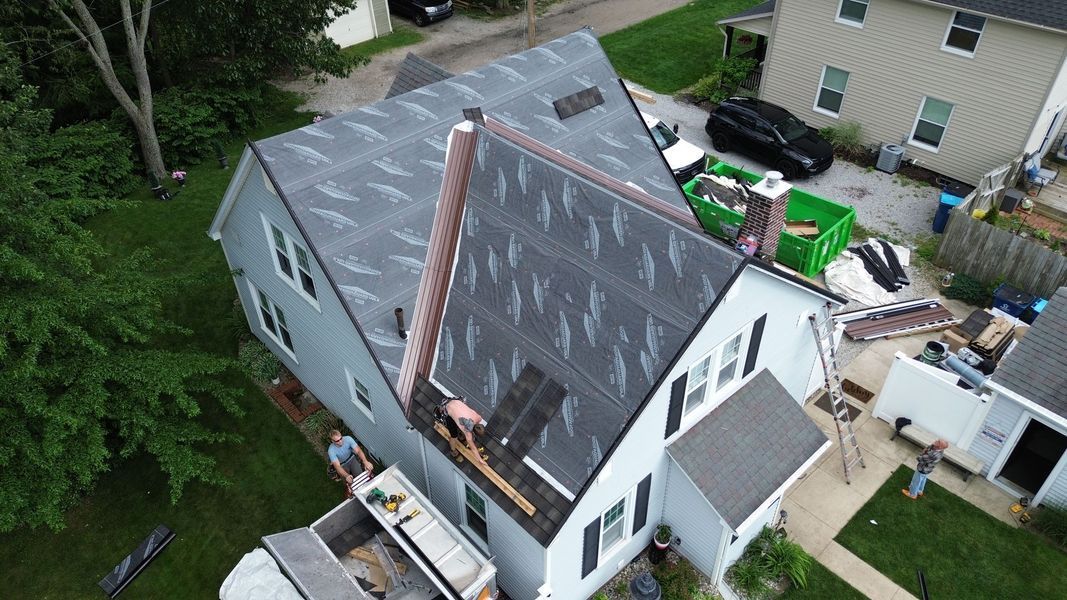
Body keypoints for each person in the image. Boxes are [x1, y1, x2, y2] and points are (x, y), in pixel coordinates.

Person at [442, 397, 487, 465]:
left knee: (460, 422)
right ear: (473, 432)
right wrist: (480, 460)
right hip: (446, 409)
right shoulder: (468, 433)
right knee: (454, 436)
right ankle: (453, 450)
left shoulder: (478, 418)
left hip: (455, 401)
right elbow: (473, 449)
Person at [328, 429, 374, 495]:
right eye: (337, 441)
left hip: (351, 459)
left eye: (341, 438)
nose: (340, 441)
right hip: (342, 465)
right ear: (332, 441)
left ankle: (366, 492)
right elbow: (337, 466)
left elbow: (358, 450)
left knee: (360, 475)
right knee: (348, 481)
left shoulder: (348, 439)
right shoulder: (331, 450)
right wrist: (346, 476)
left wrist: (365, 461)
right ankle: (353, 494)